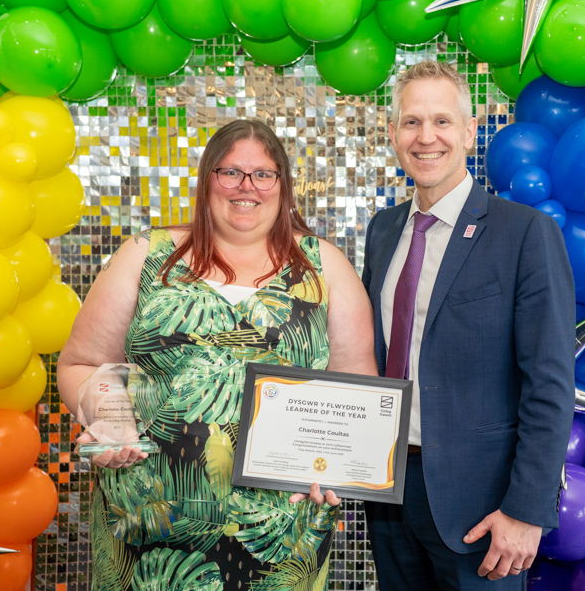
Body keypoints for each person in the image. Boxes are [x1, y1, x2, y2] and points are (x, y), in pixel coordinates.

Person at [58, 119, 377, 590]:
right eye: (230, 172)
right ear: (207, 179)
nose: (246, 187)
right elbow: (80, 364)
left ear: (283, 187)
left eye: (262, 174)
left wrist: (338, 469)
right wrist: (108, 415)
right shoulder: (146, 256)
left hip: (279, 536)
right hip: (147, 527)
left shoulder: (324, 266)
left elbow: (357, 393)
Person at [360, 61, 576, 589]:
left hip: (482, 512)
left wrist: (526, 511)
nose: (425, 137)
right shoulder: (384, 230)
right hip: (388, 492)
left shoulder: (524, 233)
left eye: (441, 121)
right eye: (411, 122)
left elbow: (549, 382)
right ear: (393, 134)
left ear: (469, 131)